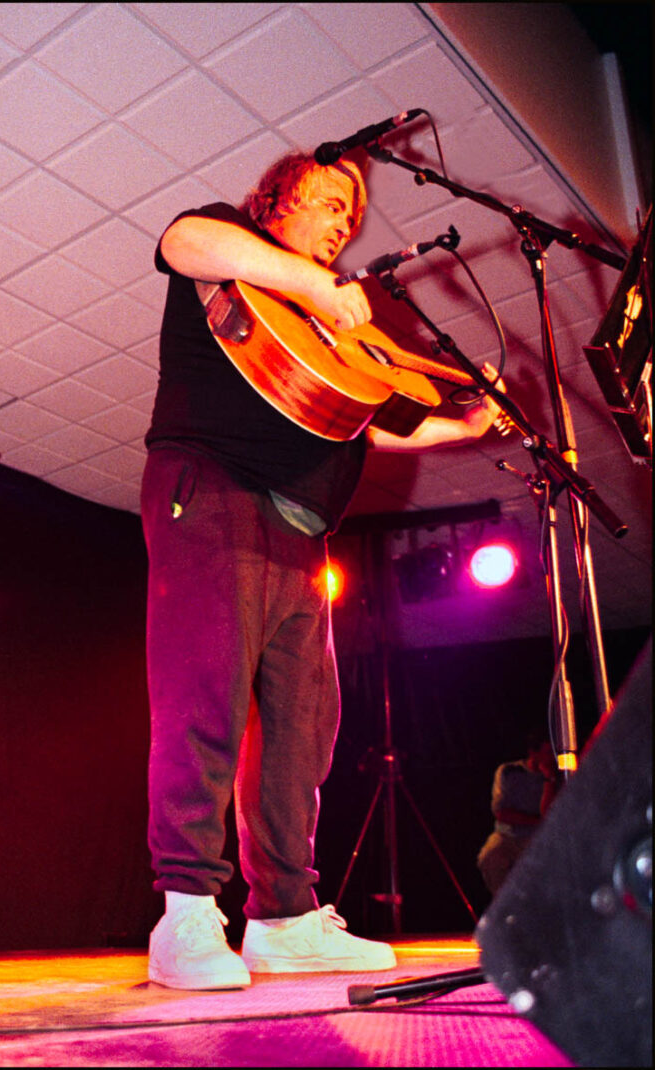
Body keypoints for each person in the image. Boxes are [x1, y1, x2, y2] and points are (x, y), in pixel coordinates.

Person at [141, 151, 505, 990]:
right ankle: (186, 915)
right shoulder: (232, 245)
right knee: (205, 696)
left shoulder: (335, 324)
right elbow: (179, 239)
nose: (346, 219)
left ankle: (285, 919)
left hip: (304, 532)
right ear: (276, 201)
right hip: (215, 487)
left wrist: (468, 425)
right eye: (332, 200)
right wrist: (308, 287)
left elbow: (377, 420)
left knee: (303, 728)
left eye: (354, 211)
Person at [477, 736, 559, 896]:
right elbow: (502, 813)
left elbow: (547, 813)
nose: (550, 756)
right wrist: (536, 821)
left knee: (546, 867)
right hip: (507, 835)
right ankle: (503, 905)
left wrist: (549, 779)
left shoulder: (557, 775)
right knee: (490, 858)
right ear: (533, 753)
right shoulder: (509, 771)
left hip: (537, 838)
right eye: (547, 752)